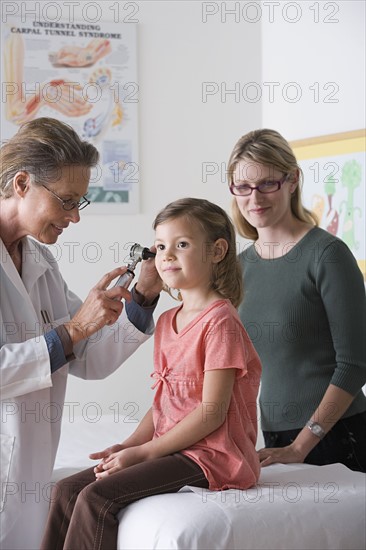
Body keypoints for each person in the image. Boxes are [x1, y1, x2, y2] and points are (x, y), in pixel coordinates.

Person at [40, 197, 262, 550]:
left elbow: (211, 412)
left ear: (217, 250)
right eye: (160, 246)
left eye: (182, 245)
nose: (167, 255)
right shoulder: (167, 321)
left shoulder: (220, 322)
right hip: (175, 447)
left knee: (97, 498)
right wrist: (130, 445)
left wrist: (145, 454)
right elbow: (165, 404)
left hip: (211, 456)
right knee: (67, 490)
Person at [0, 117, 161, 550]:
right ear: (21, 184)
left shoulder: (39, 260)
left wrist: (142, 296)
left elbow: (87, 357)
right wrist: (74, 329)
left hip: (28, 469)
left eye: (80, 202)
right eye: (66, 201)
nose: (74, 217)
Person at [227, 128, 366, 472]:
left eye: (267, 184)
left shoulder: (327, 255)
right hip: (276, 436)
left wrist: (304, 443)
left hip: (337, 434)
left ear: (292, 181)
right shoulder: (240, 267)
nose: (254, 198)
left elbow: (355, 365)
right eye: (243, 187)